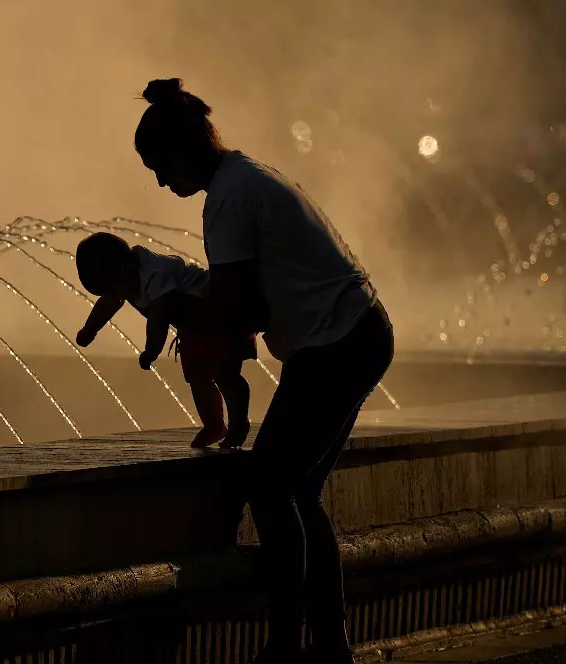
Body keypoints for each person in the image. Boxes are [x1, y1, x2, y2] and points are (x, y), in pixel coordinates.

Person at [132, 78, 395, 664]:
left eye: (157, 166)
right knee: (297, 491)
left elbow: (240, 309)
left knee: (271, 486)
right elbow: (242, 304)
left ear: (182, 151)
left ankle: (286, 646)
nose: (158, 181)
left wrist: (174, 307)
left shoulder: (227, 198)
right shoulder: (247, 176)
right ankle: (327, 646)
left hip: (337, 342)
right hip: (355, 333)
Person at [74, 232, 254, 449]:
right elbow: (110, 303)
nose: (114, 295)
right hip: (192, 328)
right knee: (197, 378)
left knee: (226, 374)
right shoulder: (125, 278)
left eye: (112, 289)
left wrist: (152, 350)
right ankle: (214, 425)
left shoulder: (155, 274)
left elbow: (159, 318)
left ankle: (239, 423)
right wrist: (90, 329)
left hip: (220, 316)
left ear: (124, 271)